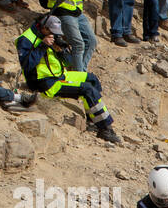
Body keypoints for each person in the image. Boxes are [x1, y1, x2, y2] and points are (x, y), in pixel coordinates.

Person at [17, 14, 120, 142]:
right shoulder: (26, 39)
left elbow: (68, 62)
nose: (54, 35)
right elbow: (26, 65)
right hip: (45, 82)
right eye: (52, 32)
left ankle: (93, 119)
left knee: (91, 79)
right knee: (87, 89)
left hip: (60, 75)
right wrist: (43, 46)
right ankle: (105, 129)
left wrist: (61, 51)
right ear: (44, 28)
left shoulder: (50, 37)